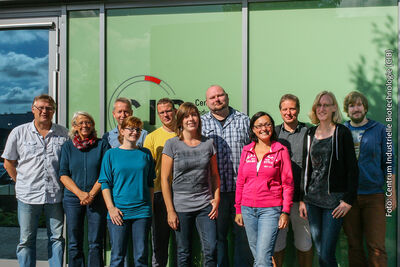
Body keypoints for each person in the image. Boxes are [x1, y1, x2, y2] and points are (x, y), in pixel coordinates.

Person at [2, 94, 68, 267]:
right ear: (33, 109)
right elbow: (8, 162)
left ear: (54, 111)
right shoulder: (19, 132)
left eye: (49, 108)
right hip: (28, 195)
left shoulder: (63, 133)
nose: (44, 111)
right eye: (41, 108)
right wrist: (20, 181)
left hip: (55, 194)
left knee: (56, 238)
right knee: (26, 240)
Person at [300, 91, 358, 267]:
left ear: (334, 108)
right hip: (312, 201)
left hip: (334, 203)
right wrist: (302, 199)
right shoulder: (310, 133)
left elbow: (353, 169)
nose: (322, 108)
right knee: (320, 252)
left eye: (326, 104)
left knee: (326, 254)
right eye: (319, 105)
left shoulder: (342, 133)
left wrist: (348, 200)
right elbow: (305, 168)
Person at [161, 102, 220, 267]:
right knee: (183, 252)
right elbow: (165, 179)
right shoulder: (172, 144)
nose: (191, 119)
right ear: (180, 121)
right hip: (181, 206)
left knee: (211, 249)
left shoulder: (208, 143)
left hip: (205, 205)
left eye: (194, 115)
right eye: (186, 116)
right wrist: (170, 211)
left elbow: (215, 175)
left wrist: (216, 199)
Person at [342, 91, 396, 267]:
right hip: (348, 198)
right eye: (351, 106)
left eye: (359, 105)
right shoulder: (341, 130)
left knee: (377, 248)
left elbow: (389, 163)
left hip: (374, 196)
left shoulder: (380, 130)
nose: (356, 109)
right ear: (347, 110)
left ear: (365, 107)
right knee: (354, 246)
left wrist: (391, 194)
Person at [201, 85, 252, 267]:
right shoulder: (201, 123)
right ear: (206, 102)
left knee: (243, 238)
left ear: (227, 97)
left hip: (242, 191)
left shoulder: (244, 121)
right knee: (218, 238)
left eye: (220, 95)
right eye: (212, 97)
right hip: (215, 193)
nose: (217, 100)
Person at [235, 111, 294, 267]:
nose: (264, 128)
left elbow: (288, 183)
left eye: (268, 124)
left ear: (272, 127)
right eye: (259, 125)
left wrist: (285, 211)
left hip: (270, 209)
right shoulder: (246, 151)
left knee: (262, 258)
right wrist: (238, 210)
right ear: (253, 129)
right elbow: (241, 181)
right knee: (260, 257)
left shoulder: (280, 150)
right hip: (247, 209)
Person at [99, 116, 155, 267]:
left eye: (138, 129)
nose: (134, 132)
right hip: (118, 212)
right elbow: (105, 183)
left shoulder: (146, 154)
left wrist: (150, 207)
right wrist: (111, 209)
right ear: (122, 131)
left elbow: (150, 183)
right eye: (130, 128)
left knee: (141, 256)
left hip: (142, 212)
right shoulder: (111, 154)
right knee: (117, 256)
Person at [59, 111, 109, 267]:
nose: (84, 125)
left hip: (97, 197)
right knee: (74, 241)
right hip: (73, 198)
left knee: (95, 242)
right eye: (80, 123)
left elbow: (105, 172)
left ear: (93, 125)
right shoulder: (67, 146)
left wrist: (92, 194)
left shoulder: (102, 145)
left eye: (88, 122)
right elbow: (63, 174)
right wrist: (80, 194)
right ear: (75, 126)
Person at [273, 94, 313, 267]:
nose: (288, 113)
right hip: (277, 199)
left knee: (304, 244)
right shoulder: (273, 132)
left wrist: (306, 197)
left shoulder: (309, 132)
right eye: (285, 109)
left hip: (301, 199)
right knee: (276, 244)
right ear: (280, 111)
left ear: (298, 109)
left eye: (292, 108)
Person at [143, 98, 177, 267]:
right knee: (160, 240)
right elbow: (148, 171)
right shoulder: (151, 138)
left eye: (169, 110)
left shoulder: (185, 133)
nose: (166, 115)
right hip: (159, 194)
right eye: (162, 112)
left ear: (175, 111)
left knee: (180, 242)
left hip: (183, 193)